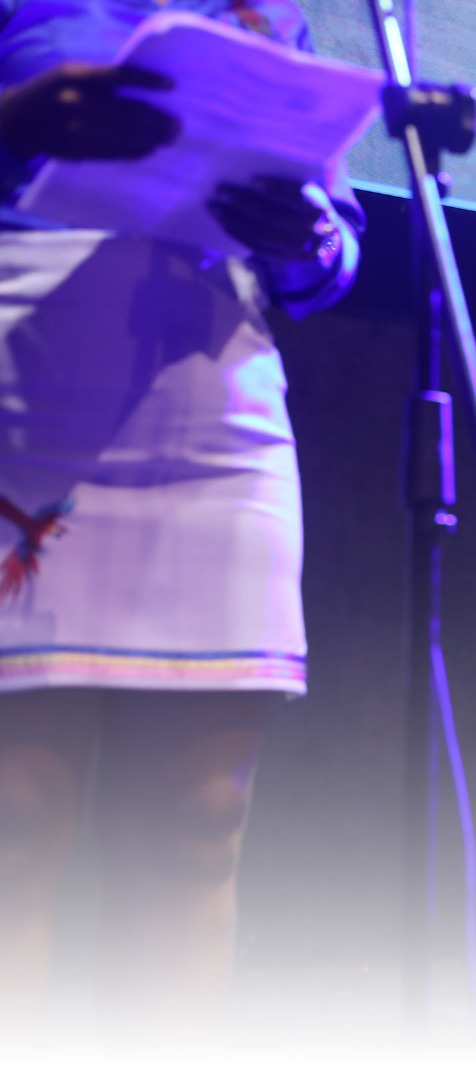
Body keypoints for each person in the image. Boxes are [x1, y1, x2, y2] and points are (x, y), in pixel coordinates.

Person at [0, 0, 362, 1035]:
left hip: (215, 414)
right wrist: (15, 122)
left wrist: (306, 239)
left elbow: (333, 255)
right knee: (14, 822)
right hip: (25, 391)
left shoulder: (269, 13)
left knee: (201, 823)